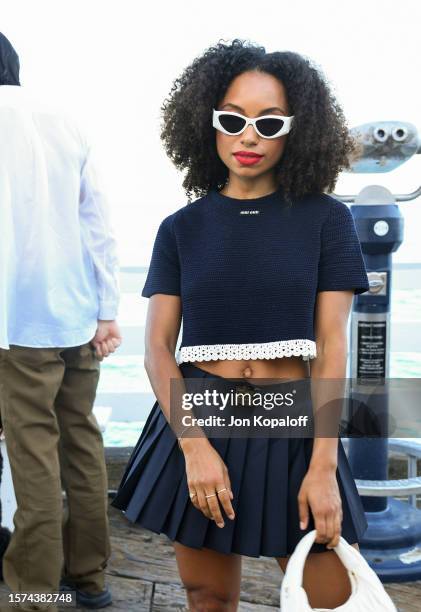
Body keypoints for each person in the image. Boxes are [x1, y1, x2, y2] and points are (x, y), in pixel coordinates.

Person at [112, 39, 370, 610]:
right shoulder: (181, 228)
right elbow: (157, 348)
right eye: (232, 119)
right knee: (206, 595)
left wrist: (323, 466)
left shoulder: (329, 220)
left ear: (297, 130)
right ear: (208, 124)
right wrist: (195, 447)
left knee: (331, 597)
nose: (249, 136)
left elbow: (331, 348)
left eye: (270, 122)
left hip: (293, 421)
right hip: (197, 416)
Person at [0, 32, 121, 611]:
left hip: (15, 324)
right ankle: (91, 579)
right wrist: (107, 311)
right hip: (76, 317)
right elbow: (97, 221)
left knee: (32, 456)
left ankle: (37, 593)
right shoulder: (64, 119)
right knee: (81, 441)